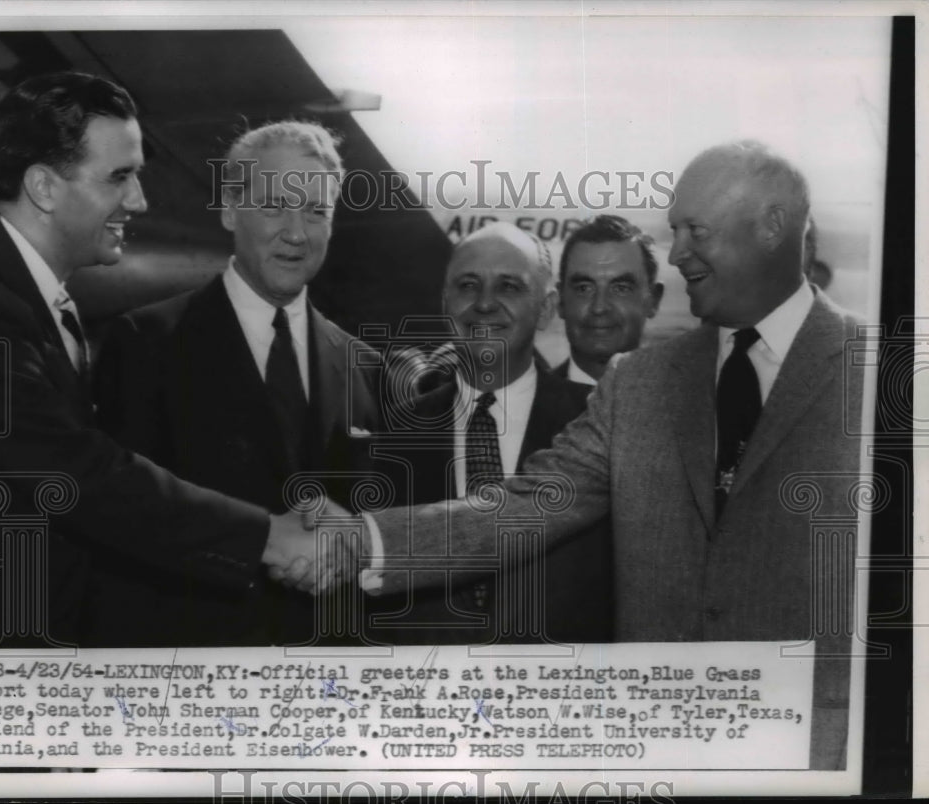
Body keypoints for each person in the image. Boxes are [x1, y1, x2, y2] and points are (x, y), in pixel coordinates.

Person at [319, 141, 863, 769]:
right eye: (676, 232)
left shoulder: (881, 372)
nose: (678, 252)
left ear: (771, 226)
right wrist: (361, 540)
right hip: (653, 748)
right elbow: (526, 505)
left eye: (696, 231)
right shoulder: (640, 382)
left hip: (812, 746)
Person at [0, 72, 321, 650]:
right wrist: (269, 536)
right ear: (44, 187)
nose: (139, 200)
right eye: (119, 176)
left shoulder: (27, 302)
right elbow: (78, 473)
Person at [94, 121, 381, 646]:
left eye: (316, 211)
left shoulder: (364, 365)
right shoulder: (146, 343)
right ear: (230, 209)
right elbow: (122, 518)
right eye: (274, 206)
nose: (296, 232)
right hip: (193, 661)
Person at [371, 223, 610, 644]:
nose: (484, 303)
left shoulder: (598, 424)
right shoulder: (390, 436)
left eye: (509, 287)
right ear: (444, 302)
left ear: (546, 308)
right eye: (468, 285)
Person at [552, 214, 663, 385]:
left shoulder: (688, 397)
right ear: (560, 300)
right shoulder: (523, 399)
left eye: (621, 289)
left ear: (653, 300)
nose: (599, 307)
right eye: (584, 288)